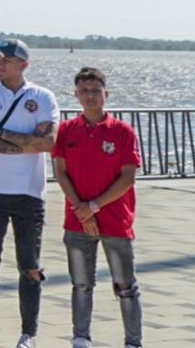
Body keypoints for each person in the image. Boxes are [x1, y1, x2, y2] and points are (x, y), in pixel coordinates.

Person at [0, 38, 59, 348]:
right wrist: (24, 141)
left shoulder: (42, 97)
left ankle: (28, 334)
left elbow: (48, 143)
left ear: (24, 64)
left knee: (30, 266)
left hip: (30, 193)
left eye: (6, 58)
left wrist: (1, 134)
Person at [52, 67, 143, 348]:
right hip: (77, 220)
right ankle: (81, 338)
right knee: (81, 284)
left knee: (125, 286)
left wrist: (93, 206)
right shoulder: (67, 130)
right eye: (83, 91)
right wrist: (82, 209)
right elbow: (60, 172)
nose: (89, 96)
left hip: (116, 220)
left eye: (95, 91)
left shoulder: (122, 132)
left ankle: (133, 342)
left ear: (106, 94)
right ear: (76, 94)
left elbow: (128, 177)